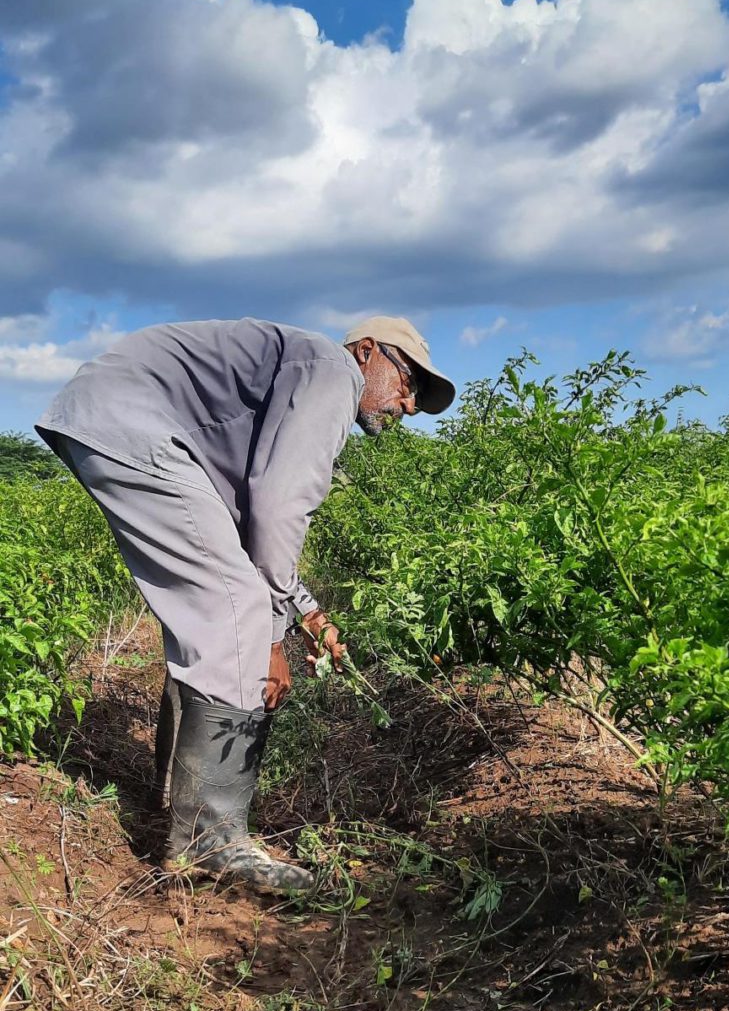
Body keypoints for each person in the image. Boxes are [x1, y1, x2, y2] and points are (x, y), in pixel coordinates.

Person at [35, 315, 456, 891]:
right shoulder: (332, 372)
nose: (408, 404)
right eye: (408, 382)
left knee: (216, 608)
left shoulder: (297, 374)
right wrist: (272, 638)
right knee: (236, 612)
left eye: (418, 398)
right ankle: (211, 840)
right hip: (131, 421)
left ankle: (175, 800)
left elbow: (250, 529)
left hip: (111, 416)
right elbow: (280, 508)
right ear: (365, 352)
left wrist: (305, 611)